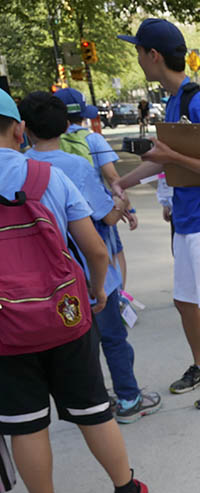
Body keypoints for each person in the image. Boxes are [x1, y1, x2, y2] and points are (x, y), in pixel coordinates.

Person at [0, 89, 150, 493]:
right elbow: (95, 249)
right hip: (66, 313)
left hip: (6, 325)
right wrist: (95, 292)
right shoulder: (47, 176)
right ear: (18, 129)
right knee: (93, 409)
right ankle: (126, 492)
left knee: (26, 423)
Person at [114, 18, 200, 411]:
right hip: (188, 222)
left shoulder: (197, 102)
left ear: (153, 56)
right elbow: (164, 162)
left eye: (138, 51)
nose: (137, 58)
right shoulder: (174, 101)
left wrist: (170, 156)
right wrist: (124, 183)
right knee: (186, 300)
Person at [20, 92, 161, 427]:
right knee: (113, 339)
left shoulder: (21, 166)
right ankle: (129, 397)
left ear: (25, 129)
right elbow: (105, 219)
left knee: (79, 347)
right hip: (89, 272)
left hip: (47, 277)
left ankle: (93, 404)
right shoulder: (76, 166)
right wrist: (122, 204)